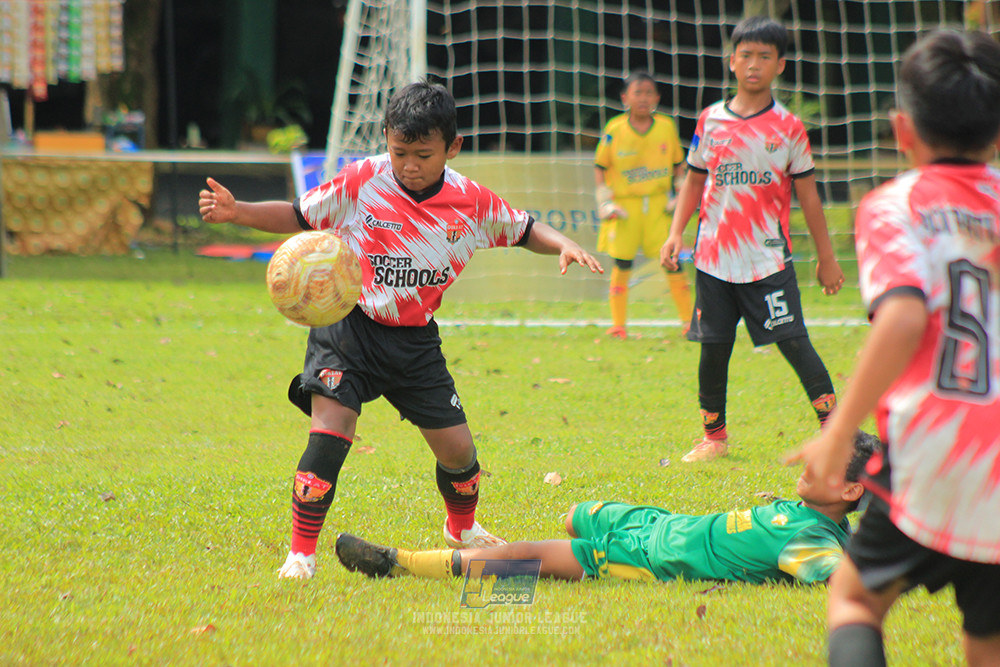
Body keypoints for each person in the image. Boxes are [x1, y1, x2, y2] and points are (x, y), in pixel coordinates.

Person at [198, 81, 604, 580]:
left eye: (423, 155)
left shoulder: (469, 202)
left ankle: (463, 529)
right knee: (331, 429)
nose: (409, 165)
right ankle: (300, 555)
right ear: (386, 139)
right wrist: (238, 213)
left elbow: (524, 229)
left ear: (452, 148)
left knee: (460, 454)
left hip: (414, 342)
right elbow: (301, 215)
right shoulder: (364, 179)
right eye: (399, 152)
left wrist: (562, 243)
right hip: (348, 327)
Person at [787, 30, 1000, 666]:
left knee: (854, 599)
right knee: (987, 640)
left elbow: (904, 315)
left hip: (934, 454)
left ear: (901, 129)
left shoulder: (895, 205)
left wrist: (837, 432)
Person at [336, 432, 879, 585]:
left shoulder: (813, 542)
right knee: (576, 511)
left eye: (825, 461)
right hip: (661, 522)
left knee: (529, 560)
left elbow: (844, 577)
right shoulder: (811, 516)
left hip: (650, 556)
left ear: (852, 491)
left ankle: (398, 563)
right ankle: (506, 552)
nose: (807, 463)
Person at [659, 16, 844, 463]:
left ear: (780, 65)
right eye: (746, 55)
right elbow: (693, 181)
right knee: (713, 350)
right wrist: (674, 233)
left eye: (764, 56)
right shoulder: (711, 120)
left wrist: (827, 257)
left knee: (795, 342)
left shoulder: (789, 127)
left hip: (768, 262)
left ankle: (836, 433)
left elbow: (809, 197)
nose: (754, 64)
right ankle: (714, 439)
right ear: (731, 62)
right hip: (713, 260)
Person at [595, 71, 693, 339]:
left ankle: (688, 322)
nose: (643, 98)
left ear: (657, 98)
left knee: (672, 260)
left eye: (649, 93)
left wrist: (679, 195)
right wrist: (605, 201)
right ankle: (618, 326)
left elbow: (678, 167)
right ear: (625, 97)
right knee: (622, 264)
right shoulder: (614, 129)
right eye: (637, 92)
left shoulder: (665, 127)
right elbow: (601, 167)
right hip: (626, 208)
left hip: (659, 206)